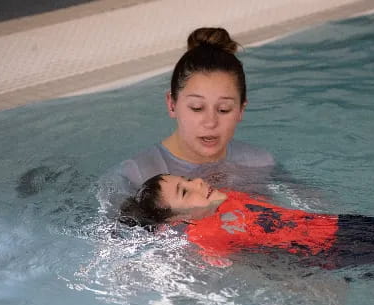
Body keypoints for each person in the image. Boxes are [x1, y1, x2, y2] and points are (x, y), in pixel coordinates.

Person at [119, 174, 374, 269]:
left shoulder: (224, 196)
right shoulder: (207, 235)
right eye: (185, 192)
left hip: (340, 222)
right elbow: (226, 262)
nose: (197, 183)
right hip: (334, 249)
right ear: (173, 222)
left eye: (186, 179)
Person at [101, 27, 274, 210]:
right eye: (197, 108)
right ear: (172, 104)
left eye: (224, 110)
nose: (210, 123)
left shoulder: (259, 163)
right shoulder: (137, 177)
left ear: (241, 110)